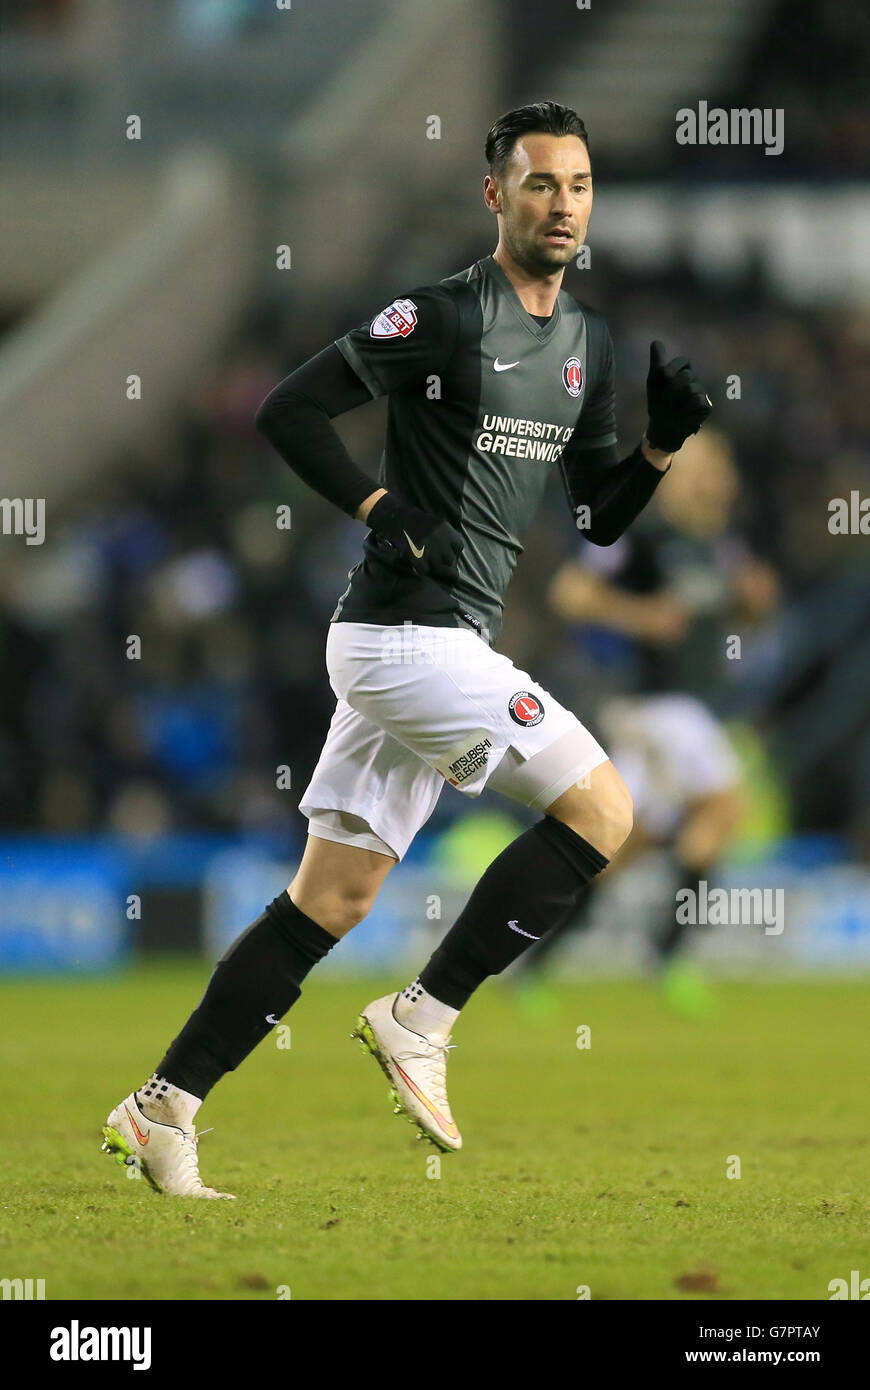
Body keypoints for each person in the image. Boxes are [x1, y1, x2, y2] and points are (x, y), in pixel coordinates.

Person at [101, 101, 712, 1197]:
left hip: (438, 645)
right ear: (497, 196)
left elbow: (599, 519)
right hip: (403, 640)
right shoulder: (439, 316)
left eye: (577, 185)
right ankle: (421, 1017)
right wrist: (378, 503)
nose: (561, 204)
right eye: (538, 183)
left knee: (330, 900)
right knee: (606, 812)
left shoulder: (588, 345)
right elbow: (290, 409)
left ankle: (163, 1107)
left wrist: (660, 443)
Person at [517, 428, 778, 1016]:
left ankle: (532, 959)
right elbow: (572, 593)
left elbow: (730, 617)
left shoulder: (718, 544)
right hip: (647, 701)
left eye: (722, 464)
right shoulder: (637, 531)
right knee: (726, 804)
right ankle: (667, 951)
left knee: (621, 844)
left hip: (689, 702)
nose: (719, 477)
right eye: (707, 465)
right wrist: (641, 616)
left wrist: (753, 604)